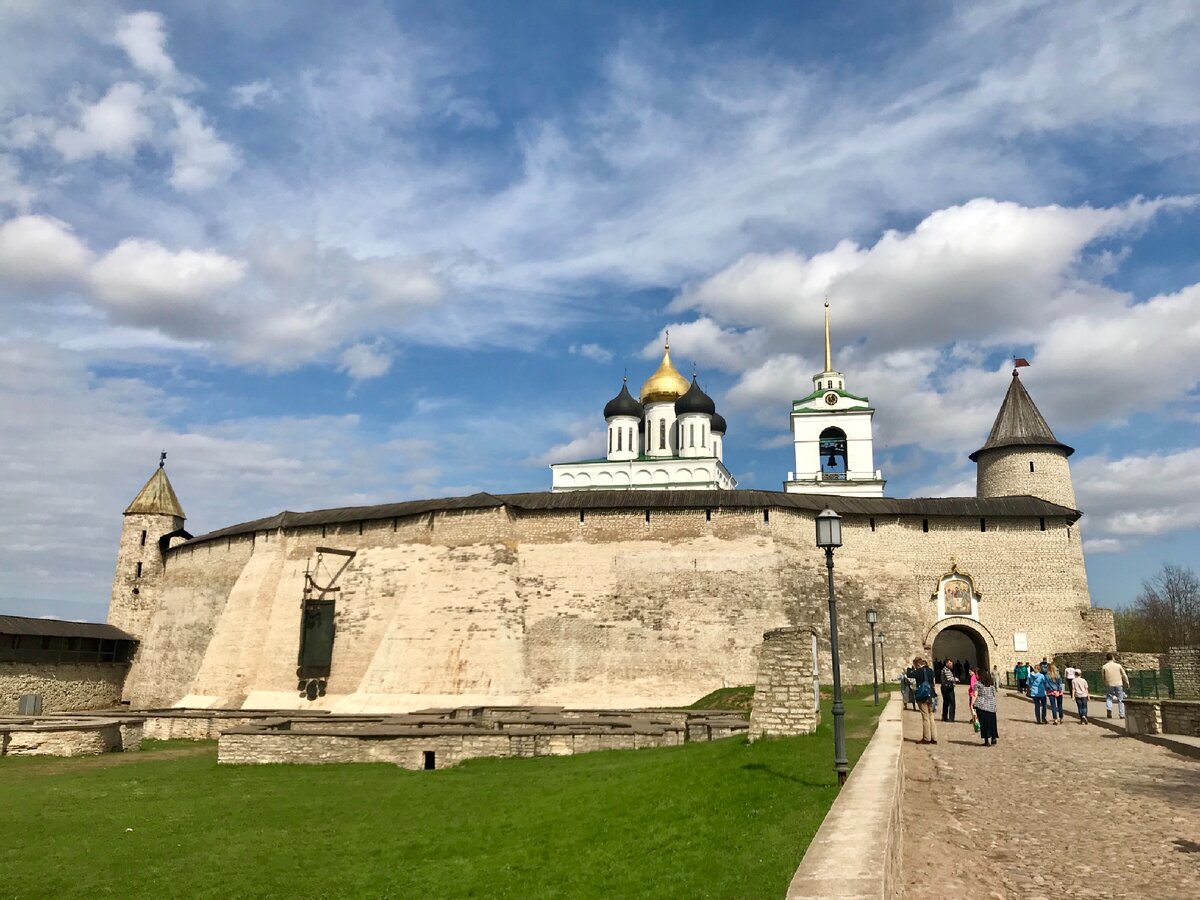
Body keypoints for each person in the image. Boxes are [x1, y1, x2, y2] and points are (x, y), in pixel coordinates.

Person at [912, 656, 938, 744]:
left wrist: (911, 668)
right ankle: (934, 737)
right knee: (931, 716)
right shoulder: (931, 671)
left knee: (925, 717)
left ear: (917, 664)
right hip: (931, 695)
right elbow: (933, 683)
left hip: (923, 696)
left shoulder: (918, 671)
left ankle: (926, 738)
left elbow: (909, 674)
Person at [973, 669, 999, 745]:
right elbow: (994, 694)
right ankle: (993, 737)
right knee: (992, 723)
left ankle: (986, 741)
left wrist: (973, 704)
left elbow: (975, 694)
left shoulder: (977, 684)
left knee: (984, 723)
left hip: (982, 705)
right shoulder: (991, 684)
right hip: (991, 706)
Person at [1101, 652, 1130, 719]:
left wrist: (1105, 682)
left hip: (1109, 684)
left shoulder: (1104, 667)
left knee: (1109, 698)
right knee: (1120, 699)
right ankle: (1121, 714)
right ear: (1113, 658)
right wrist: (1127, 682)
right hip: (1118, 683)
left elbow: (1103, 676)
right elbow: (1124, 674)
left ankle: (1109, 709)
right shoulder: (1118, 666)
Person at [940, 657, 958, 722]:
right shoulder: (946, 670)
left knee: (946, 702)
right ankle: (951, 718)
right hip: (948, 688)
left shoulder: (944, 669)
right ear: (946, 663)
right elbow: (949, 678)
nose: (951, 664)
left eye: (951, 663)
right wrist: (955, 679)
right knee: (952, 703)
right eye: (950, 663)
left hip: (944, 687)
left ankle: (944, 717)